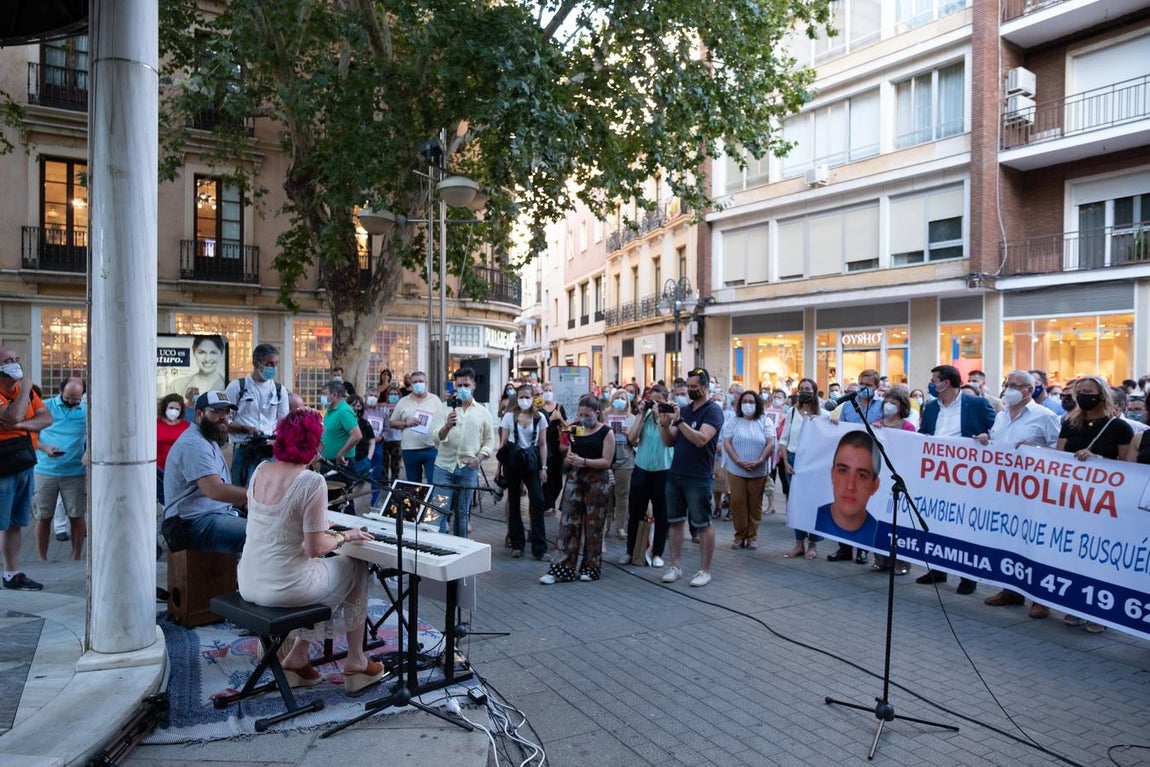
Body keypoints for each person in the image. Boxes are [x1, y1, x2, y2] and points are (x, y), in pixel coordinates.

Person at [236, 408, 384, 693]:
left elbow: (279, 526)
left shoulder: (261, 470)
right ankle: (356, 661)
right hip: (284, 588)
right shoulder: (311, 481)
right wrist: (345, 536)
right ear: (315, 444)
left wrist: (318, 527)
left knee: (322, 574)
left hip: (249, 582)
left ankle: (298, 657)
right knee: (355, 564)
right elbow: (315, 548)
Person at [977, 370, 1061, 618]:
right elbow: (998, 443)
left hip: (1034, 491)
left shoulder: (1045, 416)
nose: (1009, 389)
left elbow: (1060, 451)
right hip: (1005, 489)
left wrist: (1036, 449)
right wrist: (986, 440)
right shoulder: (1001, 415)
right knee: (1010, 540)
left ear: (1029, 390)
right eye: (1008, 384)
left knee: (1034, 544)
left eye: (1016, 385)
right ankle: (1011, 590)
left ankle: (1040, 599)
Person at [1058, 376, 1132, 634]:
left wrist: (1098, 461)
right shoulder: (1070, 423)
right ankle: (1076, 605)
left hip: (1102, 505)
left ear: (1102, 395)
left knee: (1098, 558)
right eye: (1079, 392)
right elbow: (1058, 457)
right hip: (1073, 501)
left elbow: (1127, 467)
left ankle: (1100, 611)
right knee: (1075, 555)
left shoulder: (1119, 428)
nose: (1082, 396)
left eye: (1088, 391)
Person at [916, 364, 996, 595]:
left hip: (967, 477)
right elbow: (923, 432)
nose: (931, 384)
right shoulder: (931, 407)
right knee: (936, 523)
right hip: (937, 475)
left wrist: (987, 437)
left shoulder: (976, 404)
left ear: (946, 382)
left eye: (934, 380)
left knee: (964, 527)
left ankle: (967, 576)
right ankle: (937, 569)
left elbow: (997, 431)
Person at [658, 367, 724, 588]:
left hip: (699, 476)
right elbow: (669, 441)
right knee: (675, 522)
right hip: (676, 473)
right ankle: (675, 566)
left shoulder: (713, 411)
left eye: (694, 386)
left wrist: (679, 422)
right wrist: (664, 423)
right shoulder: (685, 410)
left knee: (703, 523)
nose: (690, 390)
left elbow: (701, 439)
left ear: (705, 386)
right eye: (688, 386)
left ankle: (705, 570)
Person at [162, 391, 248, 555]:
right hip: (192, 524)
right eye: (217, 411)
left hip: (212, 517)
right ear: (199, 415)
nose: (224, 417)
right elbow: (215, 490)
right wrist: (257, 496)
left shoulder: (208, 438)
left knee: (266, 529)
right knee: (259, 535)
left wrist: (244, 504)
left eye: (226, 412)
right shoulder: (194, 444)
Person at [540, 395, 615, 583]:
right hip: (575, 479)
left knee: (593, 526)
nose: (583, 418)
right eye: (581, 414)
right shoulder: (574, 429)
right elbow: (565, 451)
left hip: (597, 482)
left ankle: (591, 567)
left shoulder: (606, 432)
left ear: (596, 413)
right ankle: (561, 568)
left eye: (587, 415)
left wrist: (584, 461)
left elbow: (607, 461)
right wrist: (569, 460)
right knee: (568, 524)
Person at [0, 347, 52, 590]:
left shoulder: (27, 391)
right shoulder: (24, 390)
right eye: (8, 360)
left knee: (15, 522)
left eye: (17, 359)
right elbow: (13, 414)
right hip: (3, 467)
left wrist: (21, 425)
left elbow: (46, 419)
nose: (15, 363)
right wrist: (25, 390)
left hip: (23, 464)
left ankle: (12, 574)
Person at [430, 367, 496, 537]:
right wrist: (447, 426)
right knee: (438, 510)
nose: (463, 389)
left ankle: (460, 547)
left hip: (468, 468)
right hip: (443, 467)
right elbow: (435, 437)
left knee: (463, 513)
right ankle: (436, 545)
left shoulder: (483, 412)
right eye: (459, 385)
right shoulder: (444, 408)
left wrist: (479, 458)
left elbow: (489, 440)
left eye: (466, 385)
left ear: (473, 385)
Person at [828, 370, 883, 565]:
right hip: (850, 458)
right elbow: (842, 428)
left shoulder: (882, 406)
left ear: (876, 387)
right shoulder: (848, 406)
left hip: (870, 459)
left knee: (865, 505)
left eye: (868, 385)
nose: (863, 388)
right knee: (845, 504)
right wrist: (834, 424)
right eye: (861, 383)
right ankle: (844, 548)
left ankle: (863, 550)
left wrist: (883, 424)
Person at [33, 378, 88, 561]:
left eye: (76, 399)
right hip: (45, 470)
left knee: (76, 515)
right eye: (68, 398)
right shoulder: (44, 406)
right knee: (43, 517)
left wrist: (88, 452)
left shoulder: (86, 411)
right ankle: (42, 558)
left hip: (75, 471)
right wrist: (44, 448)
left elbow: (96, 435)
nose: (71, 402)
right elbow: (30, 434)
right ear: (60, 391)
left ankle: (75, 556)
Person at [621, 384, 673, 567]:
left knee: (661, 513)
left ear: (666, 401)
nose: (655, 405)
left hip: (663, 469)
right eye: (653, 401)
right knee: (636, 512)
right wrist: (641, 414)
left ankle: (657, 552)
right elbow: (632, 438)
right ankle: (631, 551)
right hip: (642, 468)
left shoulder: (670, 418)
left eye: (659, 401)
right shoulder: (645, 416)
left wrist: (661, 418)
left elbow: (668, 440)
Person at [225, 343, 290, 489]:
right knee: (242, 491)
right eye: (269, 364)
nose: (273, 368)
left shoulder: (279, 390)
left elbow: (283, 423)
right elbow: (225, 420)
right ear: (256, 363)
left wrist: (277, 440)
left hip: (270, 450)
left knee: (268, 491)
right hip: (244, 449)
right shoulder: (237, 387)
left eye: (275, 364)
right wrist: (244, 428)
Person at [495, 383, 549, 560]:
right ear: (517, 398)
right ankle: (517, 544)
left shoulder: (540, 417)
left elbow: (543, 444)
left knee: (538, 500)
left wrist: (543, 467)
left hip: (531, 461)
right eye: (521, 397)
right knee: (514, 501)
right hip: (512, 459)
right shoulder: (509, 416)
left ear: (533, 398)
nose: (524, 400)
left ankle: (539, 548)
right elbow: (503, 443)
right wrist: (499, 467)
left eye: (527, 397)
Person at [779, 378, 828, 560]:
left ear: (814, 391)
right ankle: (799, 543)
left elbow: (829, 438)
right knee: (796, 503)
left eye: (808, 388)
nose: (804, 391)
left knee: (813, 503)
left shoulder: (824, 414)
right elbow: (784, 440)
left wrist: (827, 423)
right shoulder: (792, 412)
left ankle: (813, 544)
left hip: (813, 461)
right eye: (801, 389)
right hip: (794, 459)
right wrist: (786, 462)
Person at [721, 390, 774, 550]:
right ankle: (739, 535)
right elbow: (727, 442)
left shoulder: (765, 421)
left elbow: (770, 443)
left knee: (755, 503)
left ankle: (752, 536)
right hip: (736, 469)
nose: (748, 405)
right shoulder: (733, 421)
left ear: (757, 404)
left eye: (751, 402)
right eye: (745, 401)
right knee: (737, 503)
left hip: (758, 470)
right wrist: (738, 460)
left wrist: (760, 460)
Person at [814, 431, 882, 547]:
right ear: (832, 474)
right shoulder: (812, 517)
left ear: (875, 485)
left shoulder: (879, 535)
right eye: (843, 471)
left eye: (861, 476)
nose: (850, 486)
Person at [389, 370, 441, 484]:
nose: (418, 384)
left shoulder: (435, 400)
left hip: (431, 448)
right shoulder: (403, 401)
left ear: (426, 383)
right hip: (410, 449)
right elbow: (391, 422)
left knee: (434, 483)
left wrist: (440, 442)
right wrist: (405, 423)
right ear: (411, 384)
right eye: (415, 382)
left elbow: (442, 421)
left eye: (421, 381)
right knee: (413, 485)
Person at [604, 388, 636, 539]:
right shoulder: (604, 415)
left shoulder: (632, 418)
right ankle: (606, 525)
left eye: (624, 399)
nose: (620, 401)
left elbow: (637, 441)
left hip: (625, 460)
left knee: (622, 494)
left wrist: (628, 434)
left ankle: (620, 527)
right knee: (607, 494)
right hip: (607, 460)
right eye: (618, 397)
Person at [320, 381, 362, 471]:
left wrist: (341, 454)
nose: (322, 397)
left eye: (324, 394)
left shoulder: (344, 411)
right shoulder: (330, 410)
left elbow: (357, 435)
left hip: (340, 463)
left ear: (334, 394)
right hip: (328, 462)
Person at [539, 382, 568, 514]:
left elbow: (566, 427)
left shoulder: (559, 407)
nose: (548, 392)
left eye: (550, 390)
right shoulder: (539, 409)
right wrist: (550, 418)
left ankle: (551, 502)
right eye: (546, 390)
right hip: (544, 445)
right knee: (547, 477)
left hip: (557, 447)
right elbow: (538, 426)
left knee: (557, 479)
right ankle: (549, 505)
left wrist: (560, 417)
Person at [157, 392, 191, 503]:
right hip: (158, 470)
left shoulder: (186, 426)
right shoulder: (155, 424)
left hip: (179, 470)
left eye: (177, 409)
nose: (174, 411)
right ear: (165, 408)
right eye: (171, 408)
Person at [345, 395, 376, 512]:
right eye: (353, 405)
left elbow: (372, 441)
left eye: (359, 405)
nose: (356, 408)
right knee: (348, 491)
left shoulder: (365, 423)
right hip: (347, 461)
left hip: (362, 461)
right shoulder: (344, 423)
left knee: (360, 493)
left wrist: (368, 458)